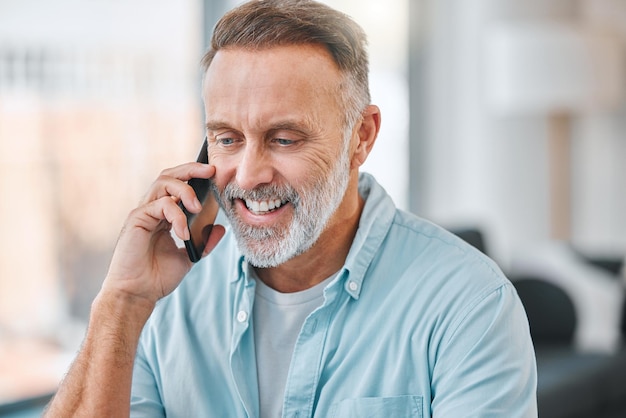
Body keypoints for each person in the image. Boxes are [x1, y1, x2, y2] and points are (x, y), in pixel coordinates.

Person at [44, 0, 537, 416]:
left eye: (283, 139)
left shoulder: (469, 305)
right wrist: (122, 303)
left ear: (360, 137)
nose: (250, 173)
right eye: (227, 139)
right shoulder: (169, 299)